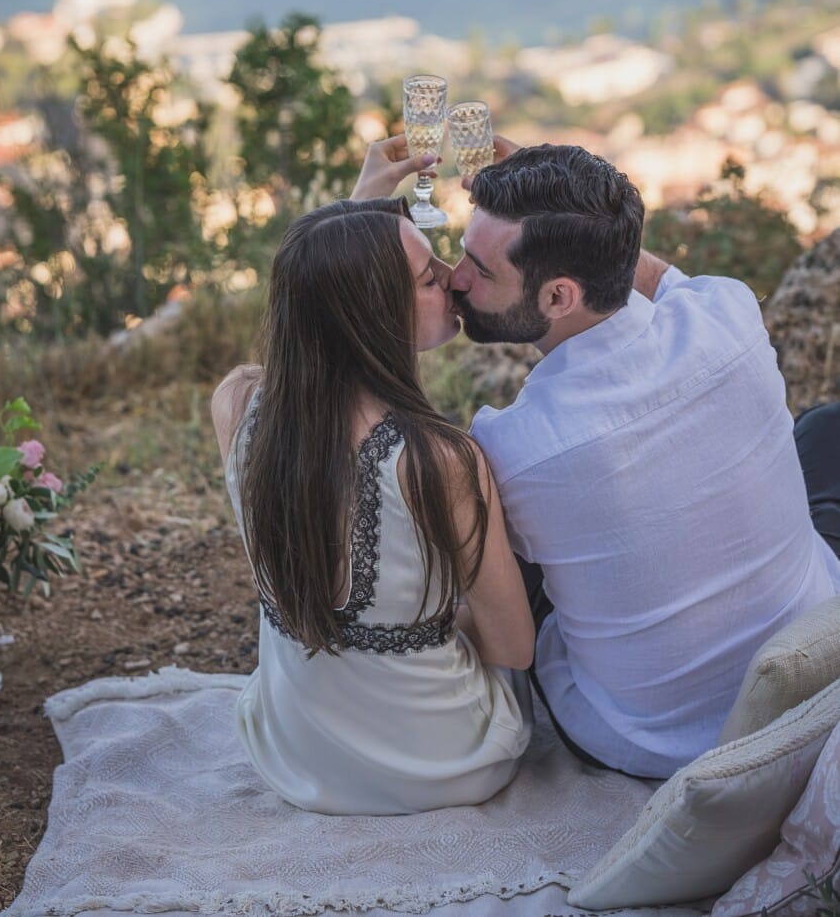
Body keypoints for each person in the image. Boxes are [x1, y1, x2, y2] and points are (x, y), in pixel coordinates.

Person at [352, 136, 840, 779]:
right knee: (826, 428)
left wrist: (356, 217)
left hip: (656, 740)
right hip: (815, 648)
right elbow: (643, 270)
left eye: (480, 269)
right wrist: (582, 217)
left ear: (557, 298)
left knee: (508, 565)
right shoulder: (730, 315)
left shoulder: (511, 448)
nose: (455, 278)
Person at [212, 174, 535, 815]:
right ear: (371, 313)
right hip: (443, 764)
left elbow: (307, 313)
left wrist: (353, 223)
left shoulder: (239, 405)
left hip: (296, 753)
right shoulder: (440, 460)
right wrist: (434, 616)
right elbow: (513, 648)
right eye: (424, 277)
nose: (451, 275)